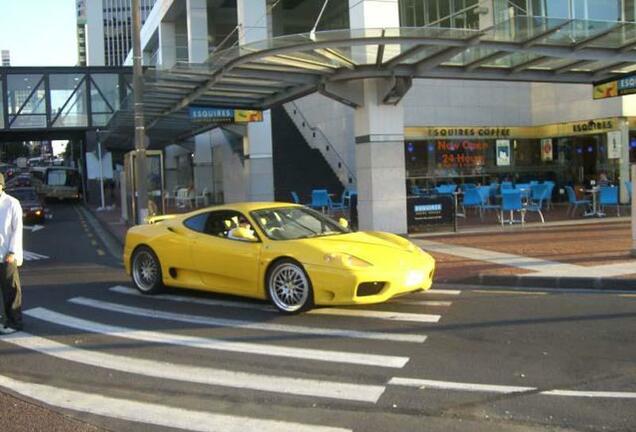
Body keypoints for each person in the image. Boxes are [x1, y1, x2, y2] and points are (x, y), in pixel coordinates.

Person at [0, 173, 23, 334]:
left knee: (11, 291)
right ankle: (4, 320)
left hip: (8, 256)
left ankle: (15, 322)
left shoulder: (12, 203)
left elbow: (17, 230)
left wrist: (12, 252)